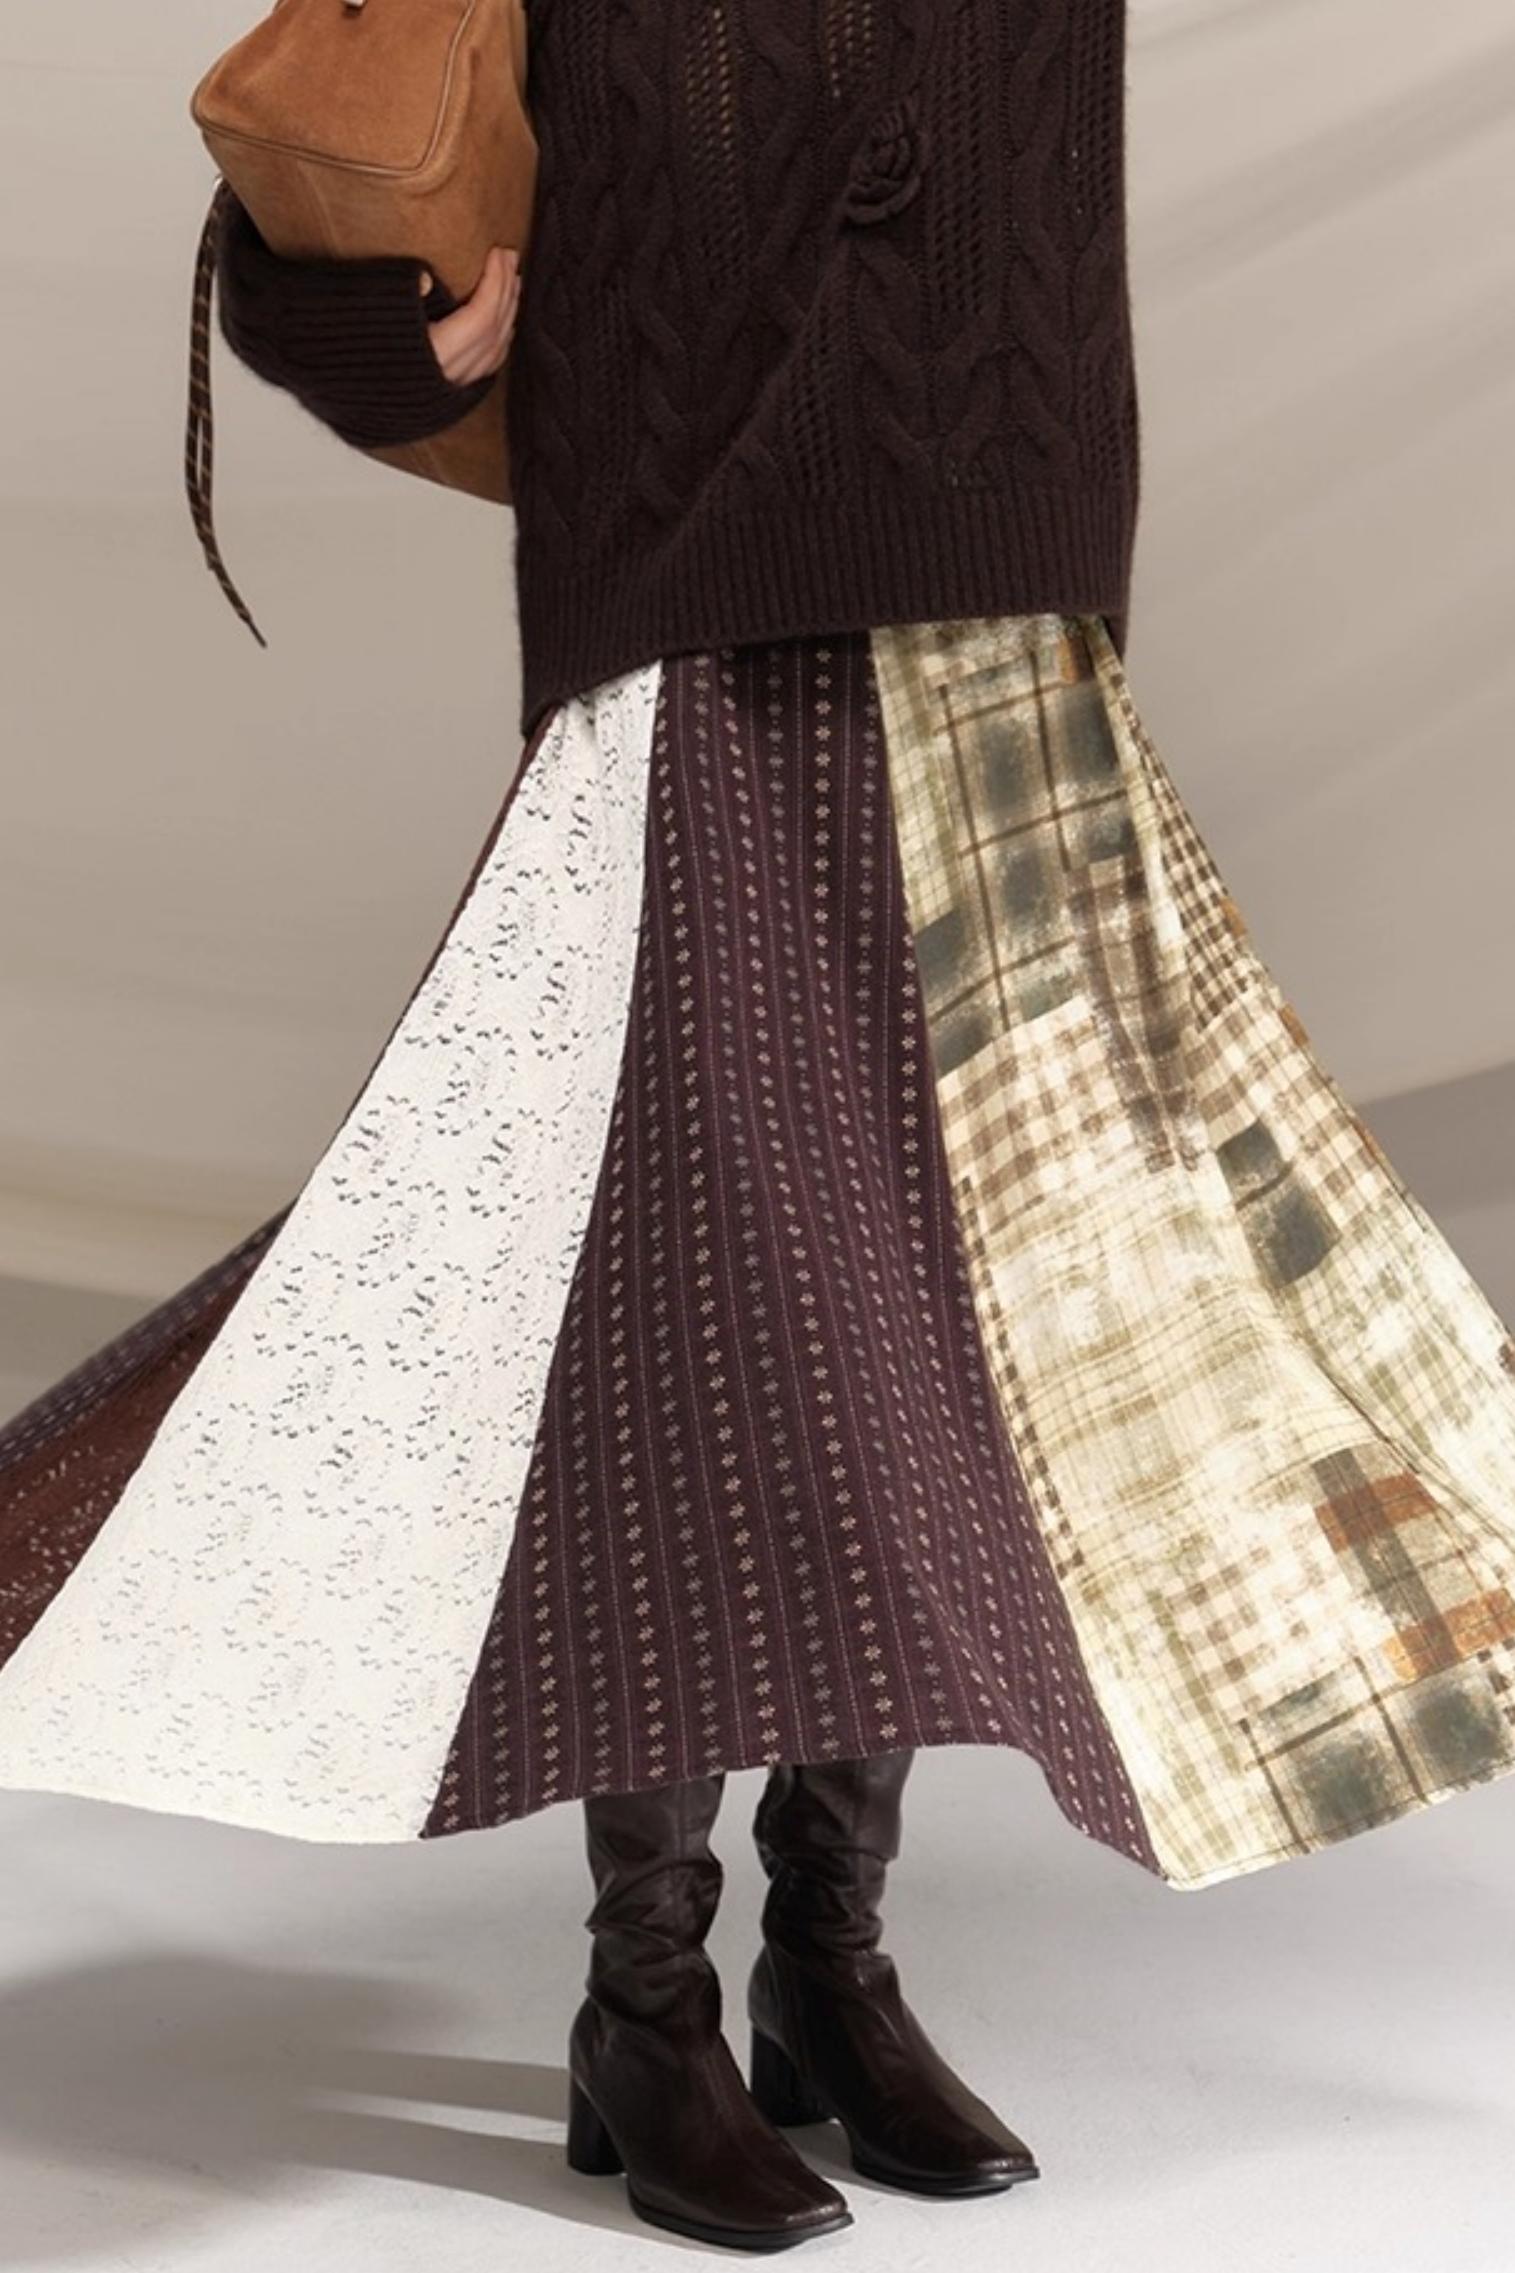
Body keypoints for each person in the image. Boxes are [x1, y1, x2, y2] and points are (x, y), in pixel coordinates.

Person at [3, 1, 1514, 2254]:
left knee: (922, 1319)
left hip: (997, 590)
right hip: (686, 563)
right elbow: (341, 106)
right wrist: (380, 321)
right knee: (688, 1314)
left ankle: (831, 1960)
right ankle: (647, 2003)